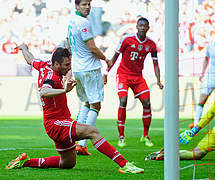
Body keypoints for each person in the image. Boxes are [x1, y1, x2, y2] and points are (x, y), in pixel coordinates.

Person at [5, 44, 144, 174]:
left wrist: (24, 48)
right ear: (57, 64)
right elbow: (44, 92)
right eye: (66, 65)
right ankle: (125, 165)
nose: (69, 68)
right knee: (92, 131)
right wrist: (64, 90)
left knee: (67, 163)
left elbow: (30, 59)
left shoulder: (45, 64)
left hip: (58, 122)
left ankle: (26, 161)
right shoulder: (51, 77)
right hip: (55, 123)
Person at [107, 17, 164, 148]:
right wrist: (106, 72)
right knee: (123, 101)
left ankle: (145, 135)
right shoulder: (126, 39)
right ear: (137, 27)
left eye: (145, 26)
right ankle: (121, 137)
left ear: (148, 28)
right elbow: (115, 57)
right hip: (123, 75)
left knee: (147, 103)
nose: (143, 28)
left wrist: (158, 80)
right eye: (141, 26)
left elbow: (156, 63)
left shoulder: (151, 44)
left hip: (138, 77)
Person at [68, 0, 108, 155]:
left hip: (78, 68)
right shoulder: (84, 22)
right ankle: (82, 144)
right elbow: (92, 48)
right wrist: (107, 59)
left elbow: (68, 42)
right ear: (76, 6)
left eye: (89, 4)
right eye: (84, 4)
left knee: (85, 103)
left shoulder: (72, 21)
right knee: (95, 106)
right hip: (89, 69)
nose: (87, 7)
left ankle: (75, 140)